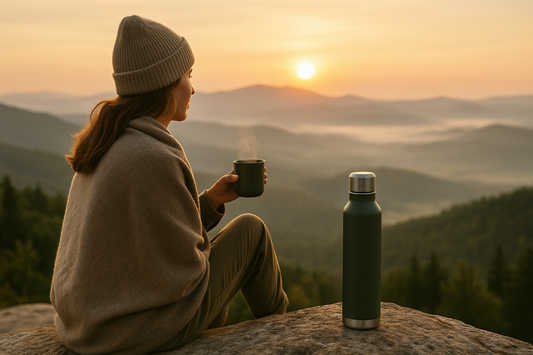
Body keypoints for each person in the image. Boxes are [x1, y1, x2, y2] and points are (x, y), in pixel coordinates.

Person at [50, 15, 288, 355]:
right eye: (188, 77)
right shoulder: (154, 155)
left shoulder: (107, 141)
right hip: (134, 332)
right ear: (165, 83)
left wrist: (207, 202)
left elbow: (143, 243)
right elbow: (186, 270)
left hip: (89, 326)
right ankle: (283, 334)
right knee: (252, 231)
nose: (192, 88)